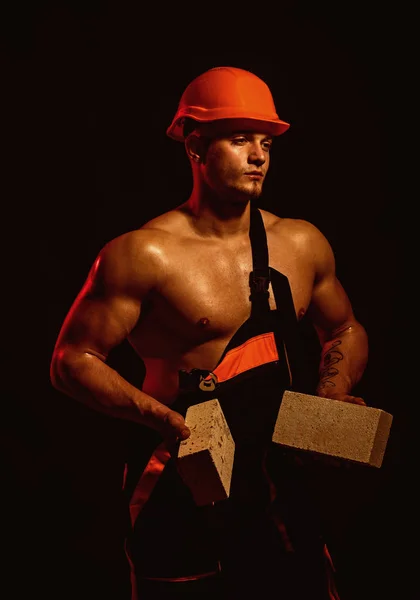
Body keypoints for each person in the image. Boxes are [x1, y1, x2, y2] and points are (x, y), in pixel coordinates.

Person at [50, 65, 369, 599]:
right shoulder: (143, 253)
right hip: (184, 465)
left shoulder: (301, 243)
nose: (258, 155)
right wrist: (166, 421)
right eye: (239, 139)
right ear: (195, 145)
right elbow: (71, 361)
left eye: (265, 142)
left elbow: (345, 326)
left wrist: (331, 399)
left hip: (276, 467)